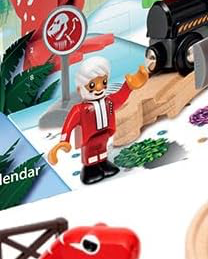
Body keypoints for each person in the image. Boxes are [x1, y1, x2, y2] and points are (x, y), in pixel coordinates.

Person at [47, 56, 148, 185]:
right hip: (90, 138)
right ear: (80, 89)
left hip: (104, 134)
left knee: (102, 149)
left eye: (104, 82)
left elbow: (120, 97)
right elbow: (69, 124)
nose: (100, 88)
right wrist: (64, 141)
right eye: (92, 85)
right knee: (90, 153)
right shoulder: (80, 109)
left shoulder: (108, 102)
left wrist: (129, 86)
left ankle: (103, 163)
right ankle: (90, 169)